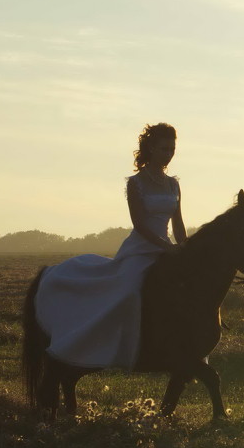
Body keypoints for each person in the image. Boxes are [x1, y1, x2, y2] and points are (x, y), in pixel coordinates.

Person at [35, 123, 187, 370]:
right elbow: (139, 224)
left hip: (167, 248)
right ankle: (111, 344)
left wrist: (184, 247)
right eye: (163, 148)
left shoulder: (173, 184)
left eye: (172, 149)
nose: (169, 154)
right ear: (150, 148)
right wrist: (164, 246)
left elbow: (178, 223)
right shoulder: (135, 183)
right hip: (141, 249)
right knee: (129, 290)